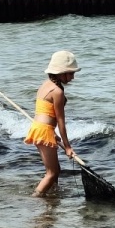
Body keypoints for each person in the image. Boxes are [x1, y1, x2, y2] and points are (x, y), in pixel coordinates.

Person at [23, 50, 80, 197]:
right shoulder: (57, 92)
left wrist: (52, 134)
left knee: (54, 171)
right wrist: (67, 146)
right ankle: (34, 199)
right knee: (52, 172)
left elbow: (45, 113)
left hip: (38, 128)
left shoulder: (45, 85)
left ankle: (52, 198)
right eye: (71, 73)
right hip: (44, 130)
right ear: (60, 73)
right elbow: (61, 121)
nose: (73, 77)